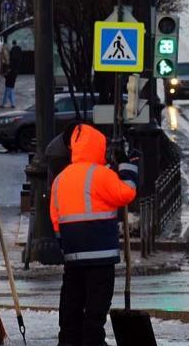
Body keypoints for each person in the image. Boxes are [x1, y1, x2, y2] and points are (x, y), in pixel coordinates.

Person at [50, 124, 138, 346]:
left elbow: (55, 217)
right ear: (98, 147)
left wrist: (64, 244)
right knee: (95, 307)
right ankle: (92, 342)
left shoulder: (61, 179)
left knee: (72, 301)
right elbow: (126, 192)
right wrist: (128, 166)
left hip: (72, 254)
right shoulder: (101, 175)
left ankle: (69, 341)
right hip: (100, 254)